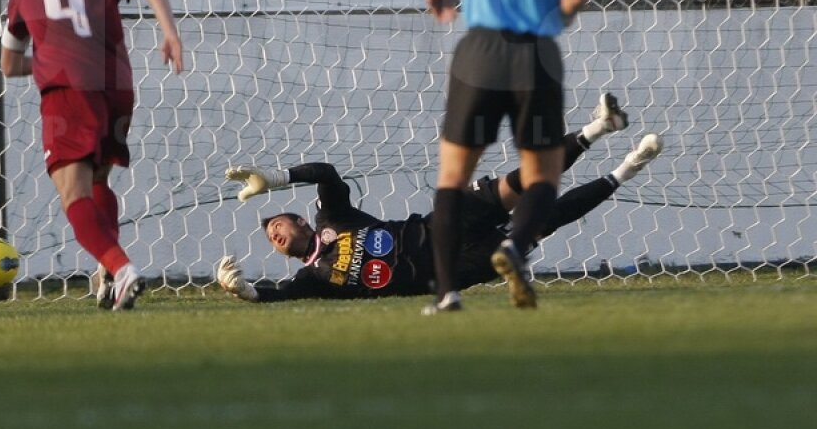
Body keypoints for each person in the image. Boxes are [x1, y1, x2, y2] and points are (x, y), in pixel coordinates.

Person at [215, 93, 662, 303]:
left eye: (276, 224)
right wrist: (245, 291)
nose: (273, 233)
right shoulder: (316, 280)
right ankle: (627, 168)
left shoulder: (334, 215)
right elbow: (276, 297)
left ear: (300, 221)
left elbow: (326, 173)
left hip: (439, 225)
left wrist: (273, 179)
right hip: (456, 267)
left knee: (516, 184)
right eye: (272, 239)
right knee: (542, 218)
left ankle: (598, 127)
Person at [405, 0, 595, 313]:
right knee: (542, 176)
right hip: (535, 54)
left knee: (452, 178)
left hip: (480, 52)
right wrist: (554, 19)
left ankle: (446, 293)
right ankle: (514, 243)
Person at [1, 0, 183, 311]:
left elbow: (9, 65)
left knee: (73, 193)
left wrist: (51, 58)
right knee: (99, 178)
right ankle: (107, 275)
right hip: (116, 90)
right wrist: (169, 33)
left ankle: (120, 269)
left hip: (68, 92)